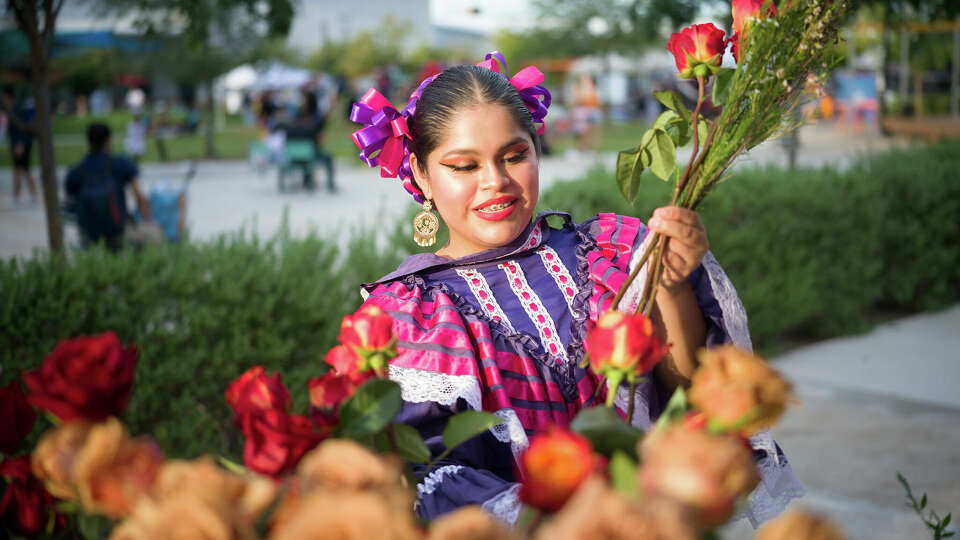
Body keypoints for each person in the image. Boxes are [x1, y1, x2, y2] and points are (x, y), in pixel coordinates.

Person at [353, 52, 803, 528]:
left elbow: (689, 393)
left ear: (536, 149)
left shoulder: (608, 250)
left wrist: (669, 283)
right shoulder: (411, 312)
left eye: (514, 155)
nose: (496, 182)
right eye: (464, 166)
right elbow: (431, 477)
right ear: (421, 175)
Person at [65, 122, 153, 251]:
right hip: (116, 228)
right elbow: (139, 196)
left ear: (88, 141)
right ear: (109, 140)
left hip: (88, 230)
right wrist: (147, 222)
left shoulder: (77, 171)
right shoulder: (121, 163)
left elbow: (70, 202)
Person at [3, 87, 38, 204]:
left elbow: (23, 128)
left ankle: (31, 194)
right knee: (18, 170)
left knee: (25, 169)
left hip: (22, 143)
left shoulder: (18, 109)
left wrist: (20, 144)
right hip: (18, 143)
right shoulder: (12, 109)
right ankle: (17, 195)